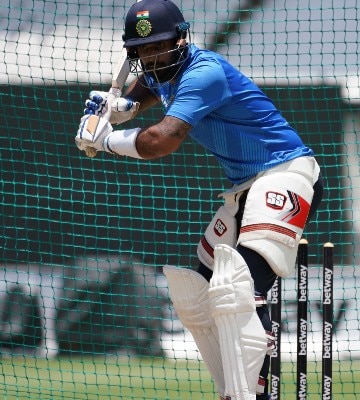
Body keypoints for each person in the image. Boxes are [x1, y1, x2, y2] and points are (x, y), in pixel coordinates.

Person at [75, 1, 324, 399]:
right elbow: (148, 88)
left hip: (285, 173)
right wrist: (122, 108)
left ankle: (254, 393)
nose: (153, 57)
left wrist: (106, 140)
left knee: (238, 287)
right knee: (200, 292)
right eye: (143, 50)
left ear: (182, 38)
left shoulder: (202, 72)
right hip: (244, 189)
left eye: (160, 46)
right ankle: (230, 389)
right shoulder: (161, 71)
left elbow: (163, 140)